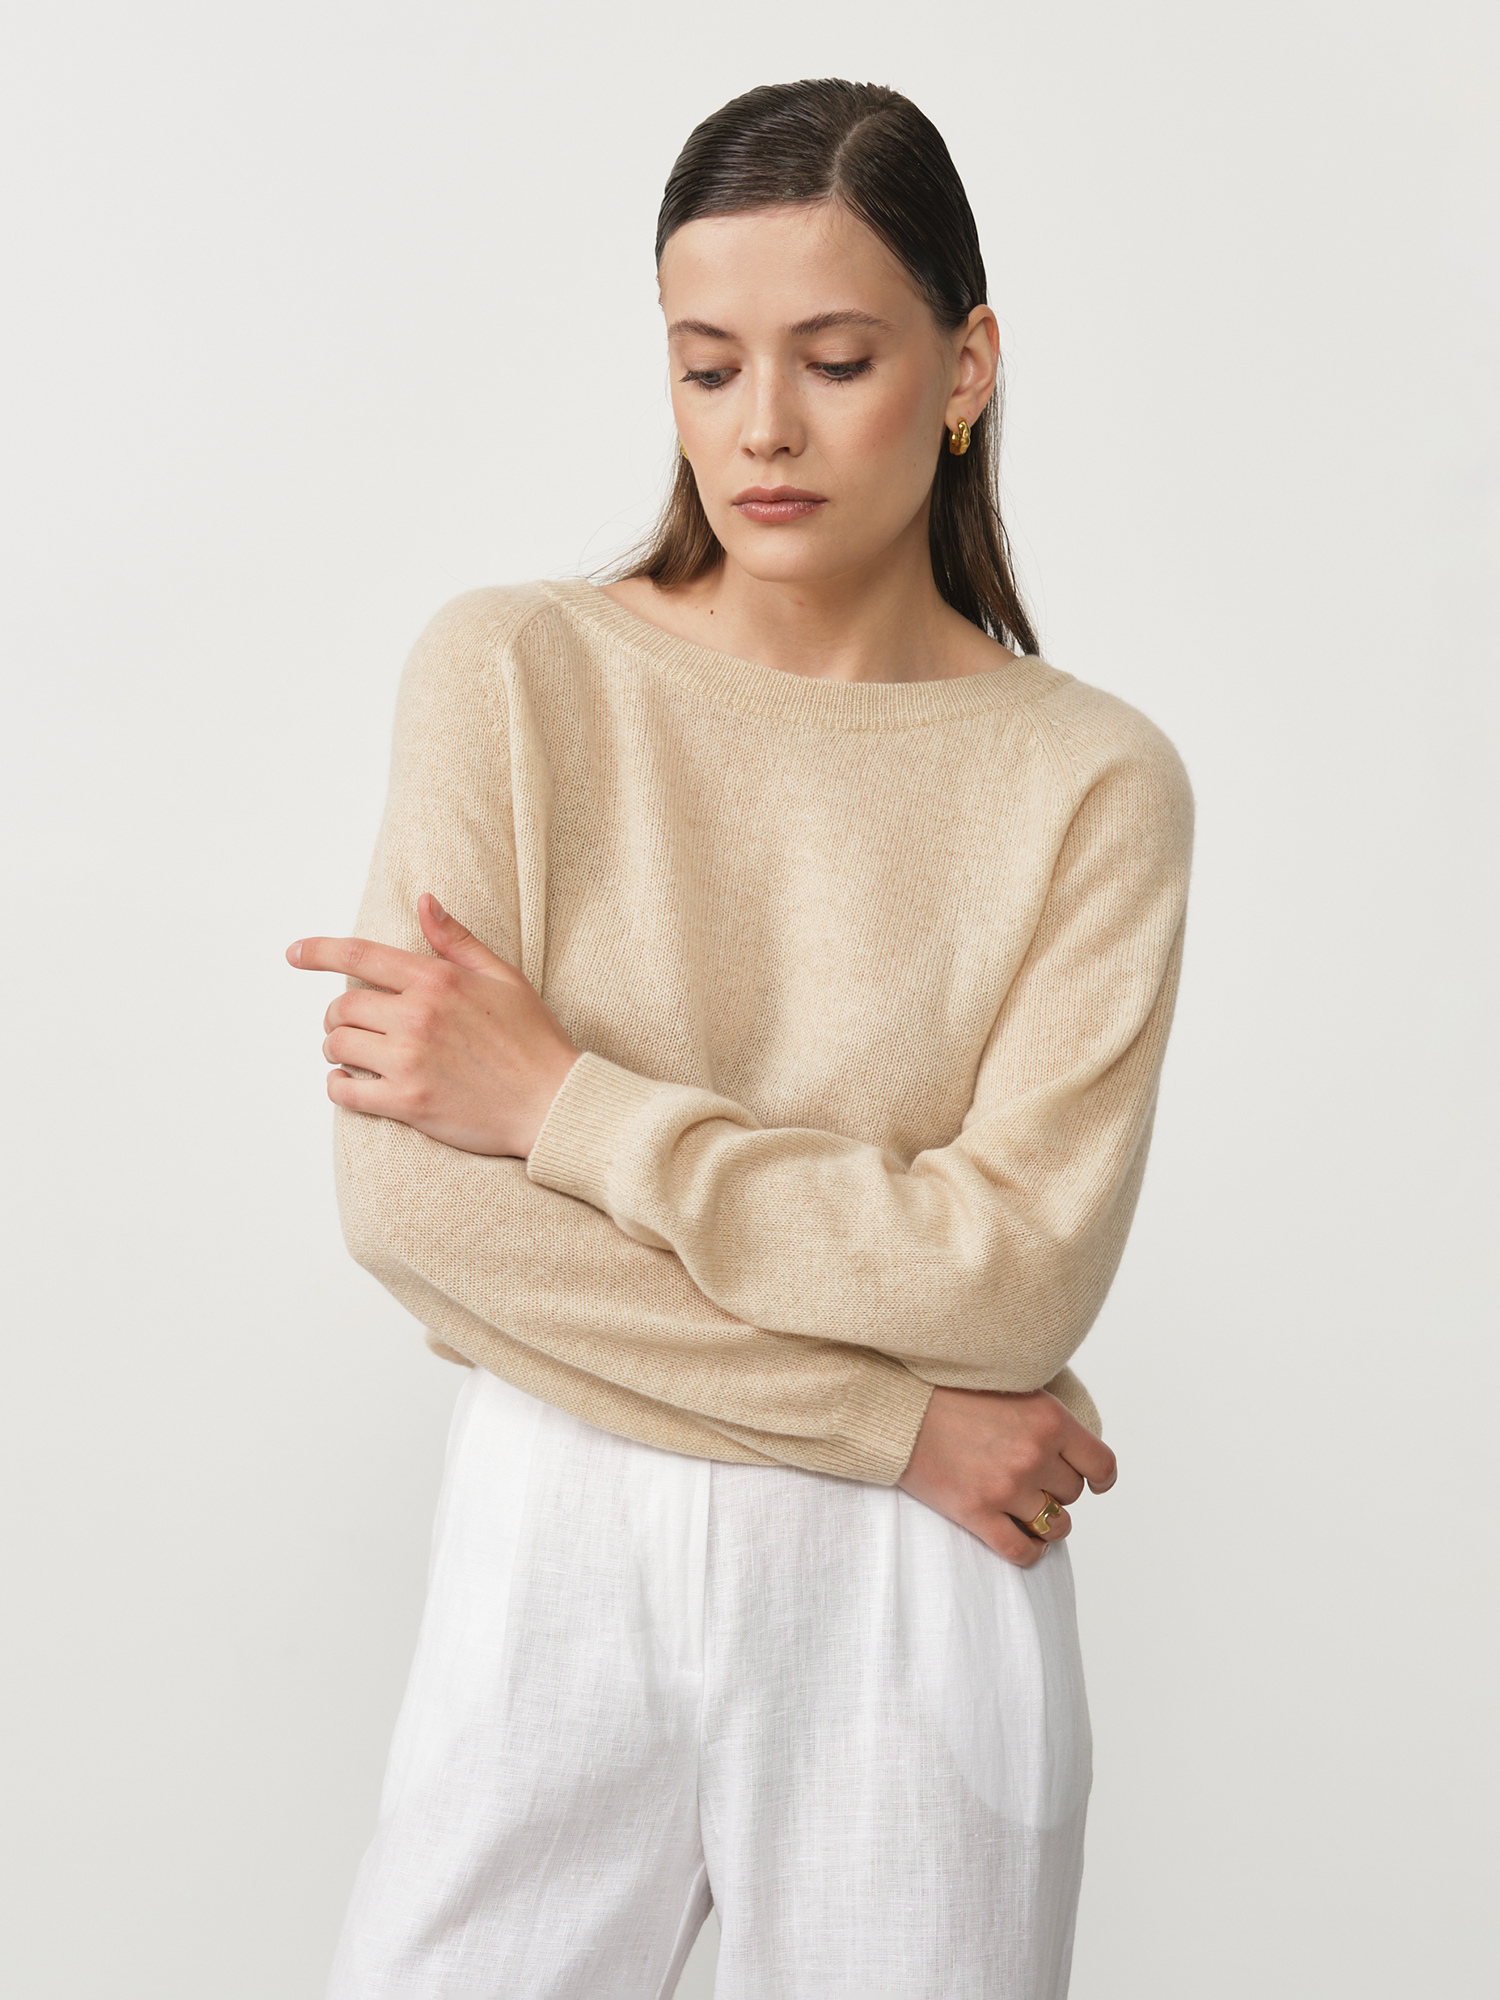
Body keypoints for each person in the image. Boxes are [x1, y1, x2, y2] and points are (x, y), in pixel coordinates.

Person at [290, 78, 1192, 2000]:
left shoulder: (1091, 782)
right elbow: (413, 1211)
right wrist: (897, 1423)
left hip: (917, 1599)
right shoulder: (517, 675)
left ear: (966, 368)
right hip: (579, 1520)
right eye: (707, 367)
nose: (760, 428)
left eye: (835, 361)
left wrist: (565, 1105)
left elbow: (1014, 1280)